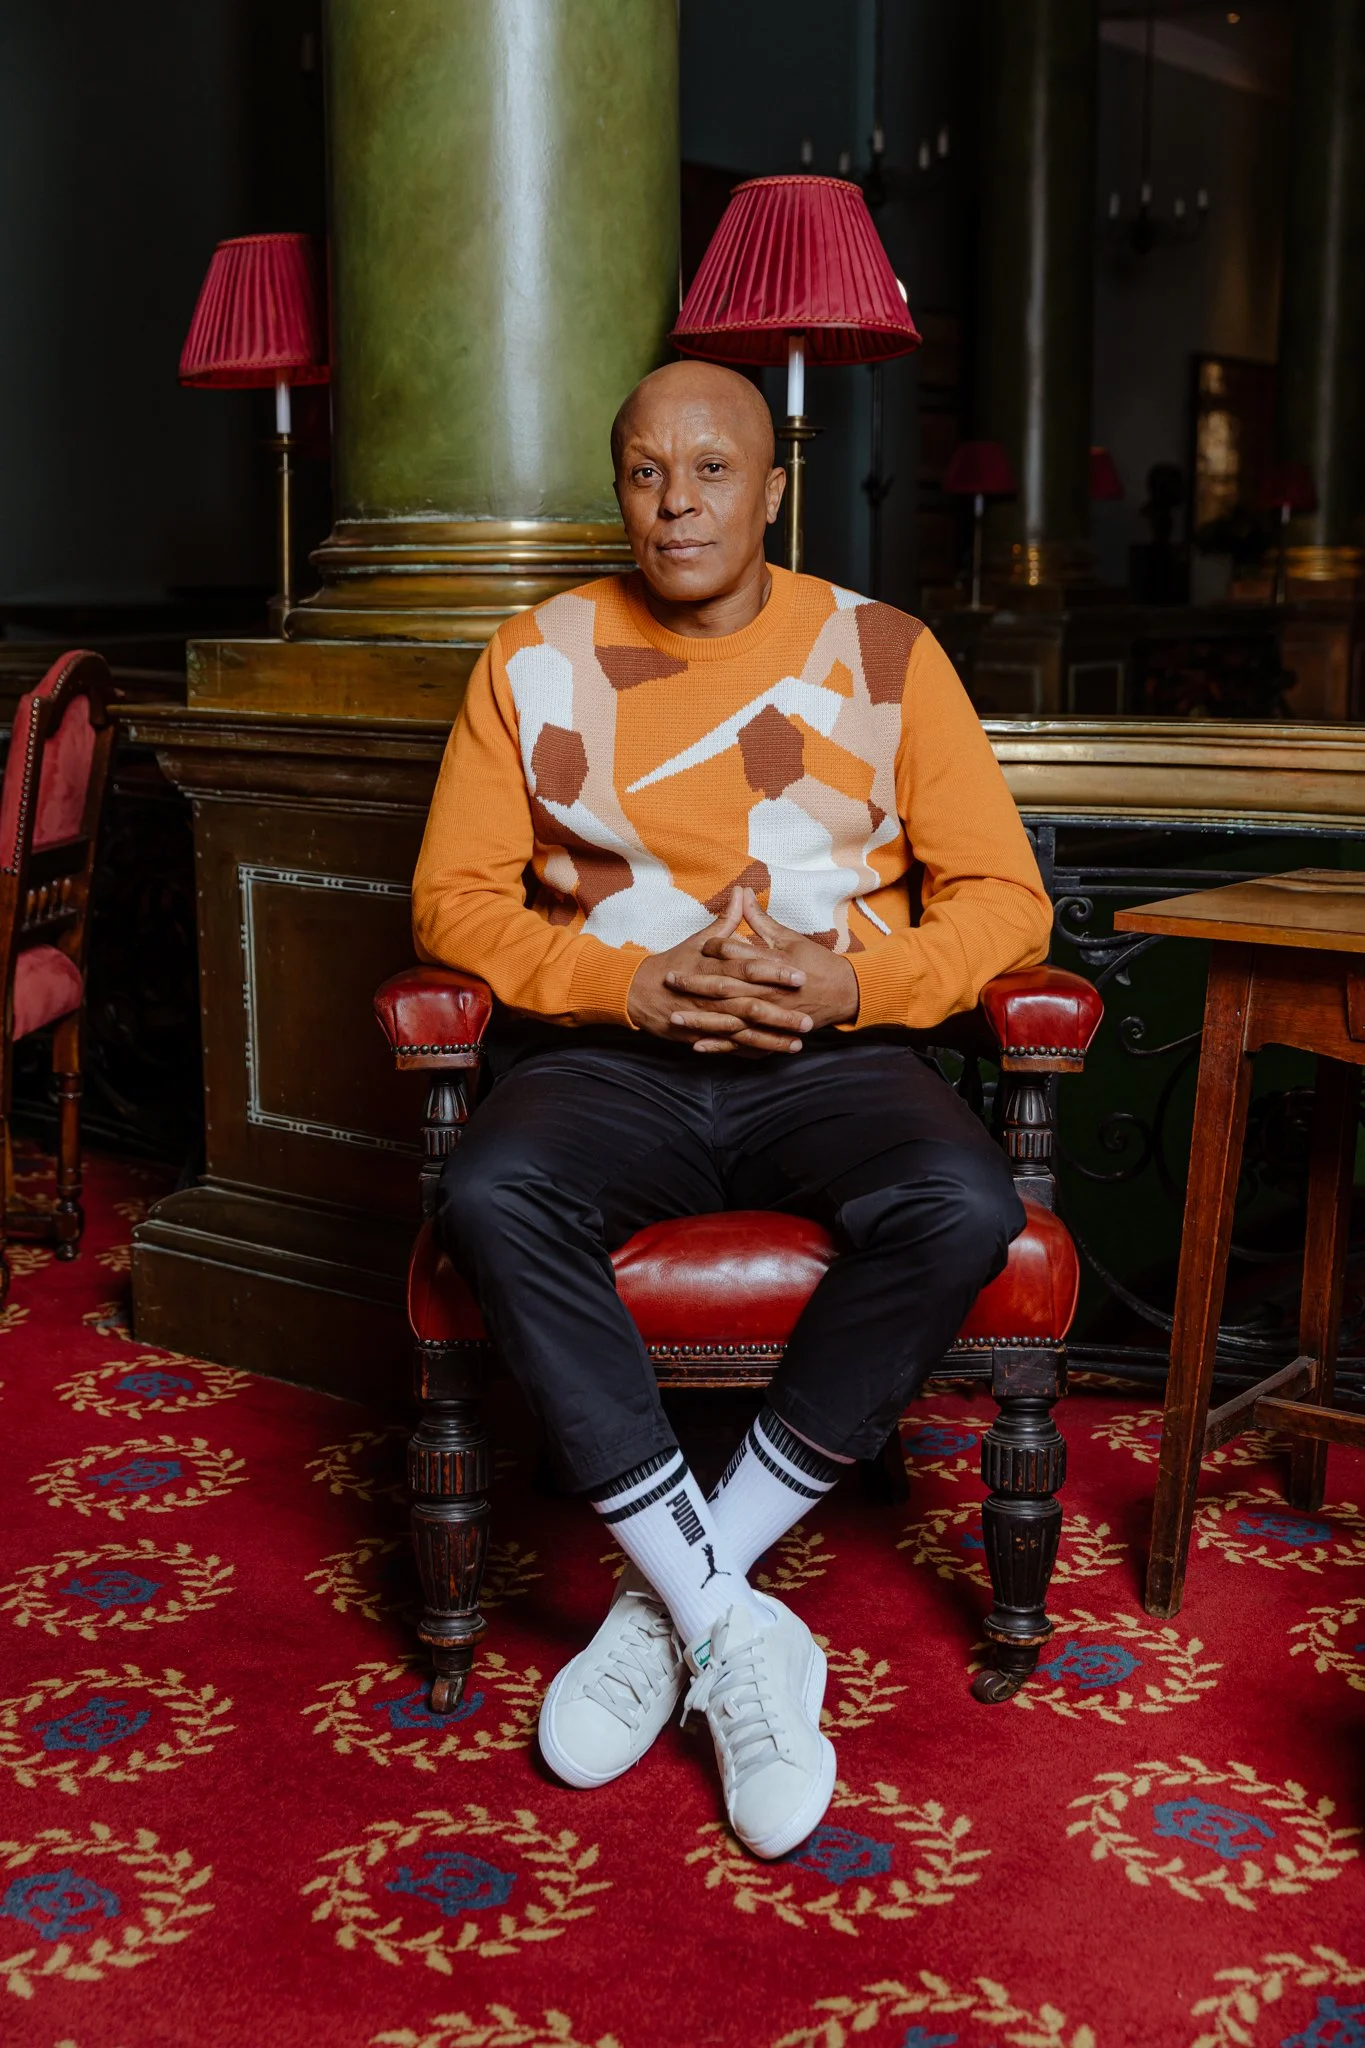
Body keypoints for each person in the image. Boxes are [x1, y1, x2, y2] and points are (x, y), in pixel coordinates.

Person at [411, 360, 1052, 1861]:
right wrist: (623, 991)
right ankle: (733, 1627)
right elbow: (447, 899)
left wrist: (855, 987)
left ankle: (666, 1601)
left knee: (963, 1201)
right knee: (493, 1193)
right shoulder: (532, 657)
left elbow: (1006, 899)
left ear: (775, 488)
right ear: (619, 485)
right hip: (606, 1059)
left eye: (712, 472)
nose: (676, 502)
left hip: (831, 1058)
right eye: (646, 472)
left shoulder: (886, 654)